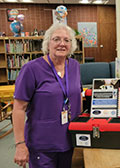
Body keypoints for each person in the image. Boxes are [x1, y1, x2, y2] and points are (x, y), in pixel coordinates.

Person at [13, 23, 82, 168]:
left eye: (67, 40)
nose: (62, 44)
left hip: (70, 141)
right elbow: (19, 108)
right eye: (56, 39)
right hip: (42, 145)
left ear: (72, 45)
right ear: (47, 43)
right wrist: (20, 145)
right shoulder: (31, 69)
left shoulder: (74, 66)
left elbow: (78, 96)